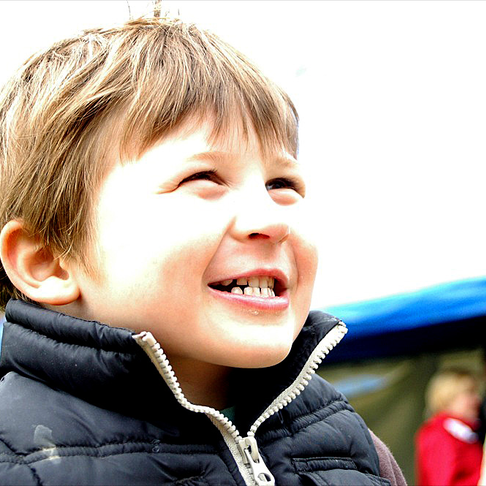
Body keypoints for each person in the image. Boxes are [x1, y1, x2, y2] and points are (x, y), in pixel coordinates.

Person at [0, 16, 406, 485]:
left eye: (282, 183)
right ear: (48, 261)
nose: (272, 220)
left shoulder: (353, 449)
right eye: (203, 178)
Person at [415, 367, 483, 486]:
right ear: (448, 396)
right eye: (470, 392)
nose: (477, 399)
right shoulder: (438, 434)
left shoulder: (464, 434)